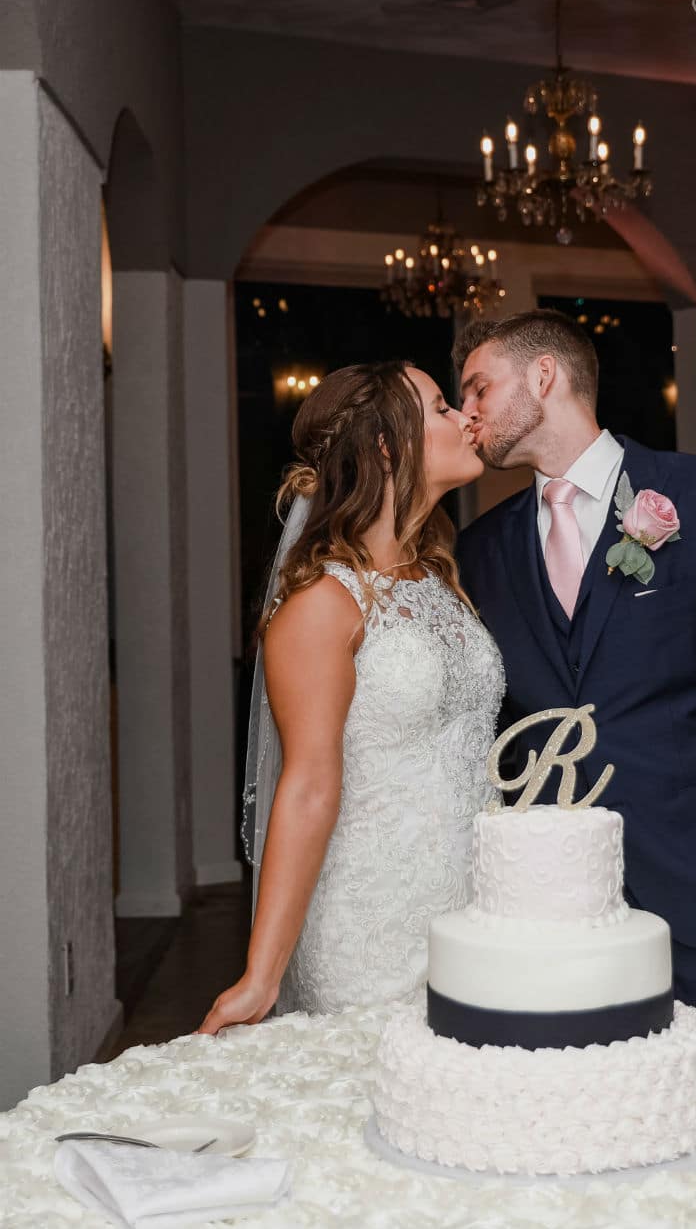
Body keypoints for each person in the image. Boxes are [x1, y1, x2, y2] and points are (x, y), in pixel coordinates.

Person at [454, 309, 696, 1013]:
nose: (469, 413)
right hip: (551, 909)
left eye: (479, 387)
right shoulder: (480, 550)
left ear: (543, 373)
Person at [199, 362, 503, 1034]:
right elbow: (307, 787)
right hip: (372, 935)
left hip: (478, 921)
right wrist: (261, 976)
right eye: (442, 407)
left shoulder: (436, 580)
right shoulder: (322, 604)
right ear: (388, 446)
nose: (466, 419)